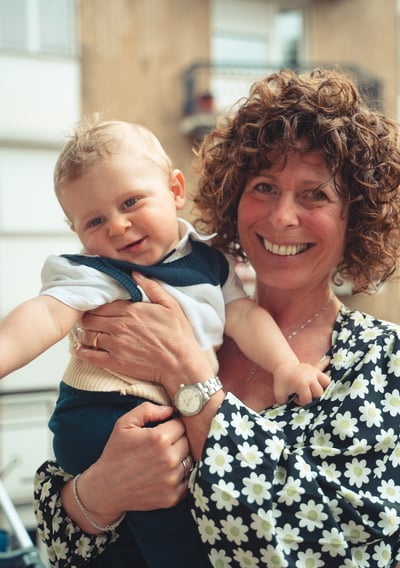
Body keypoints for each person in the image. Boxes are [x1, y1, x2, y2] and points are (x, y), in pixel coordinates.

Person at [33, 67, 400, 567]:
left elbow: (338, 551)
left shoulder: (382, 360)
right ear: (234, 197)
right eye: (264, 186)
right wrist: (98, 495)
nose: (282, 217)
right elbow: (56, 537)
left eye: (316, 193)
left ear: (356, 216)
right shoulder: (169, 312)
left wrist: (186, 373)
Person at [0, 115, 327, 566]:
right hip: (101, 414)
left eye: (130, 202)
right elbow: (43, 315)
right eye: (95, 220)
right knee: (174, 530)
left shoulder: (209, 263)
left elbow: (242, 315)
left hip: (153, 421)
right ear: (77, 233)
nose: (118, 226)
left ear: (175, 190)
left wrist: (285, 365)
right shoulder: (96, 271)